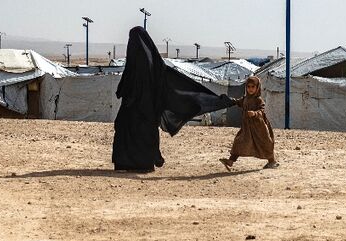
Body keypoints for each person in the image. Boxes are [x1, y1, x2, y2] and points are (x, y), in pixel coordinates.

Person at [112, 26, 233, 172]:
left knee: (126, 130)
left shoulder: (138, 61)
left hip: (132, 107)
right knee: (143, 132)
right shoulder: (154, 63)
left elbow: (125, 85)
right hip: (147, 109)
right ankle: (143, 163)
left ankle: (126, 163)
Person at [220, 75, 278, 170]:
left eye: (253, 87)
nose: (250, 89)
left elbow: (261, 111)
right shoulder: (245, 99)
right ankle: (230, 161)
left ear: (257, 87)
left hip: (259, 127)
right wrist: (229, 100)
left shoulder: (258, 100)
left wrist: (254, 113)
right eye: (248, 87)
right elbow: (238, 102)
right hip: (247, 127)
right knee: (239, 141)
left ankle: (272, 161)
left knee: (265, 143)